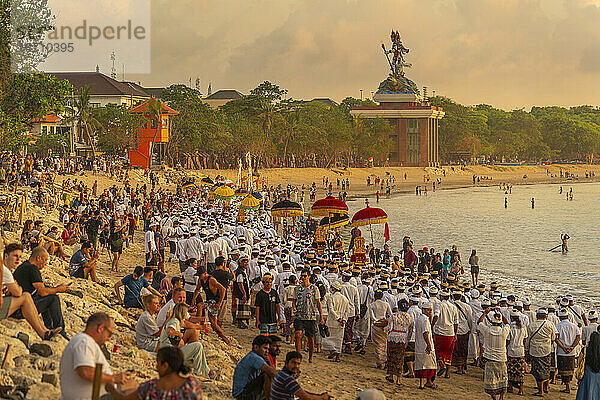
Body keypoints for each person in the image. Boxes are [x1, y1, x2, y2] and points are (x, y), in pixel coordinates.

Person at [59, 312, 134, 400]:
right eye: (109, 334)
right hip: (92, 397)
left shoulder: (86, 342)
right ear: (100, 328)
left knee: (134, 385)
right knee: (137, 389)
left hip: (99, 393)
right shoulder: (84, 342)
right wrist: (113, 378)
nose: (109, 338)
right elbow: (85, 372)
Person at [1, 243, 61, 340]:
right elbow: (18, 292)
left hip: (9, 304)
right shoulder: (7, 271)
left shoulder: (18, 267)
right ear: (6, 256)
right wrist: (58, 289)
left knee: (29, 295)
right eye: (15, 256)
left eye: (19, 257)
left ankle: (46, 330)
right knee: (50, 297)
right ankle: (54, 331)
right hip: (13, 310)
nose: (18, 259)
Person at [106, 346, 203, 400]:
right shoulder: (191, 384)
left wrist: (111, 388)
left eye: (158, 363)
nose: (156, 367)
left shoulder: (150, 388)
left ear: (165, 365)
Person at [13, 246, 68, 335]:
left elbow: (41, 288)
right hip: (22, 310)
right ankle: (61, 331)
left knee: (47, 297)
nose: (46, 263)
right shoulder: (32, 269)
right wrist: (58, 289)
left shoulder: (24, 266)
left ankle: (49, 327)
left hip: (17, 307)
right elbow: (42, 292)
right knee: (53, 298)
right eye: (45, 260)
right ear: (39, 258)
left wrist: (54, 288)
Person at [158, 302, 211, 378]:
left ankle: (207, 372)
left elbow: (188, 325)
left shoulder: (175, 320)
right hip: (169, 354)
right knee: (198, 346)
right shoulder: (174, 321)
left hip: (167, 353)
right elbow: (170, 330)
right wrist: (180, 334)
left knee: (196, 358)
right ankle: (200, 373)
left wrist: (202, 327)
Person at [192, 264, 231, 344]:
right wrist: (193, 300)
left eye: (201, 275)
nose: (200, 276)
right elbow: (197, 290)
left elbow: (223, 289)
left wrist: (220, 302)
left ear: (205, 273)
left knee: (200, 306)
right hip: (209, 301)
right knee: (214, 324)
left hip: (214, 301)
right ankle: (225, 339)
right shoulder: (201, 280)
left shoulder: (211, 280)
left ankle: (197, 325)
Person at [292, 269, 324, 363]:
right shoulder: (297, 289)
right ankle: (298, 356)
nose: (303, 277)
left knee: (310, 337)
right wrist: (294, 308)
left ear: (309, 276)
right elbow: (294, 301)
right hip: (299, 315)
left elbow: (318, 303)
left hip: (310, 316)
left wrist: (321, 316)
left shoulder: (314, 289)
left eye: (305, 276)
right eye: (302, 276)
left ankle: (310, 356)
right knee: (298, 334)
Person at [477, 307, 510, 400]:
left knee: (491, 380)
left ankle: (494, 398)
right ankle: (502, 397)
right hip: (501, 358)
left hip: (490, 358)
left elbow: (479, 323)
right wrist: (501, 314)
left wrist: (484, 313)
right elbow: (507, 323)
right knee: (503, 379)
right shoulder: (504, 331)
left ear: (491, 322)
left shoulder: (487, 330)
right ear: (500, 323)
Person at [232, 335, 277, 400]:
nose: (267, 351)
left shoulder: (256, 356)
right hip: (242, 394)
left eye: (268, 349)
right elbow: (273, 373)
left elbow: (273, 371)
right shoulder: (254, 357)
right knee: (267, 375)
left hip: (245, 391)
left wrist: (269, 362)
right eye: (265, 348)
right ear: (256, 347)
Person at [527, 308, 557, 397]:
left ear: (537, 316)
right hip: (546, 350)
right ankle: (546, 387)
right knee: (546, 368)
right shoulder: (550, 325)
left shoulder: (531, 325)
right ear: (546, 316)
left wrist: (527, 349)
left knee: (537, 370)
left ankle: (540, 390)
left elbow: (528, 339)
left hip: (535, 350)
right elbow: (553, 338)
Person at [385, 298, 413, 384]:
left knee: (391, 357)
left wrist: (383, 328)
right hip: (403, 338)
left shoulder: (393, 316)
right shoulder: (410, 317)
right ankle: (398, 380)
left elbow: (389, 328)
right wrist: (407, 340)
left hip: (393, 337)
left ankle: (391, 375)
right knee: (400, 359)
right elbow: (411, 330)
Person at [322, 280, 350, 363]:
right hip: (341, 323)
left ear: (333, 289)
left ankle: (333, 351)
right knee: (339, 340)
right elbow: (347, 311)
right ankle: (337, 357)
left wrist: (338, 318)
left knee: (329, 338)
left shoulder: (331, 298)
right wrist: (344, 320)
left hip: (332, 321)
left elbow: (331, 310)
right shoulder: (345, 299)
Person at [432, 290, 458, 378]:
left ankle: (441, 364)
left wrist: (431, 325)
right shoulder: (453, 307)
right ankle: (447, 373)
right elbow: (456, 322)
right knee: (448, 353)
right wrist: (455, 333)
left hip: (439, 331)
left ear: (441, 297)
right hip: (450, 332)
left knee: (438, 350)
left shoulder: (439, 305)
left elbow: (436, 316)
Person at [556, 307, 581, 393]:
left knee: (563, 369)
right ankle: (568, 386)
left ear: (559, 317)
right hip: (571, 352)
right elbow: (578, 337)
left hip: (561, 351)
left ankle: (567, 387)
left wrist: (563, 347)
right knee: (570, 369)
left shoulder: (557, 326)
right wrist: (572, 347)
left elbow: (556, 338)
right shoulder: (574, 326)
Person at [415, 299, 437, 389]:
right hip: (425, 345)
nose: (430, 312)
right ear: (423, 310)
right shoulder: (424, 319)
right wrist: (428, 344)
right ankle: (427, 382)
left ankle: (423, 383)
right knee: (428, 364)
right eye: (428, 310)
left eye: (431, 310)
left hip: (420, 345)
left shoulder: (420, 318)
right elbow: (425, 333)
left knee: (422, 364)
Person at [369, 289, 392, 369]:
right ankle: (385, 361)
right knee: (384, 344)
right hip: (384, 327)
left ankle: (379, 363)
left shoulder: (372, 305)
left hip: (376, 326)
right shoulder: (386, 304)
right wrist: (385, 320)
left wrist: (377, 321)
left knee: (377, 345)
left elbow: (372, 317)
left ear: (375, 296)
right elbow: (390, 315)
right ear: (382, 296)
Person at [506, 310, 528, 395]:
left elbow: (508, 340)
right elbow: (525, 339)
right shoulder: (523, 327)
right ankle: (520, 390)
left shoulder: (510, 327)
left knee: (510, 370)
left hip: (511, 351)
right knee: (520, 371)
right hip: (520, 351)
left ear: (511, 318)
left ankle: (510, 387)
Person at [575, 331, 600, 400]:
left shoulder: (585, 349)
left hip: (587, 374)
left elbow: (579, 361)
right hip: (598, 375)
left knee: (585, 392)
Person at [211, 256, 234, 327]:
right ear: (222, 264)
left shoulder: (212, 273)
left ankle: (215, 327)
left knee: (214, 314)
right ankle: (219, 327)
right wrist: (230, 269)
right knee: (221, 314)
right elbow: (234, 278)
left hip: (214, 295)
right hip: (223, 295)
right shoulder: (225, 273)